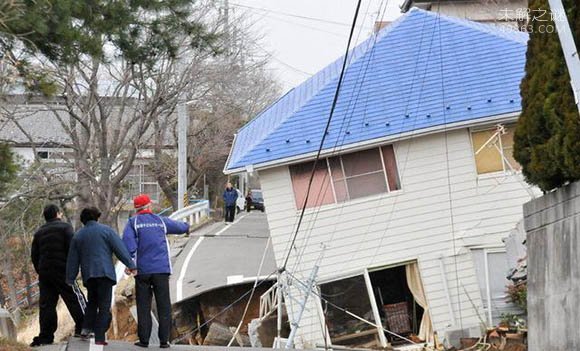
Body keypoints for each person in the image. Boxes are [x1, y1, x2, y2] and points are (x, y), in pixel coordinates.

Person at [122, 194, 190, 349]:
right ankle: (164, 341)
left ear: (136, 209)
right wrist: (187, 227)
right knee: (164, 305)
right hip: (161, 270)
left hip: (142, 271)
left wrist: (129, 264)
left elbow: (129, 246)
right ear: (148, 206)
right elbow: (179, 227)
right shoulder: (160, 221)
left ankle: (144, 340)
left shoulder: (133, 223)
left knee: (143, 306)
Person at [66, 207, 136, 346]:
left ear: (83, 220)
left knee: (92, 302)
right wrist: (131, 265)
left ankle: (85, 329)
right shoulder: (106, 231)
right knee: (104, 306)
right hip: (105, 273)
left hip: (89, 276)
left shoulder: (78, 235)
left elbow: (72, 259)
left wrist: (70, 277)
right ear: (97, 217)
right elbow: (119, 249)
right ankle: (99, 337)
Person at [30, 204, 86, 347]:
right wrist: (74, 269)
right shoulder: (65, 228)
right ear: (57, 214)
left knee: (47, 305)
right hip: (63, 270)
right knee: (73, 298)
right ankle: (85, 326)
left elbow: (34, 255)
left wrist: (40, 270)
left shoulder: (39, 232)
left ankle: (46, 336)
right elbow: (73, 249)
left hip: (45, 273)